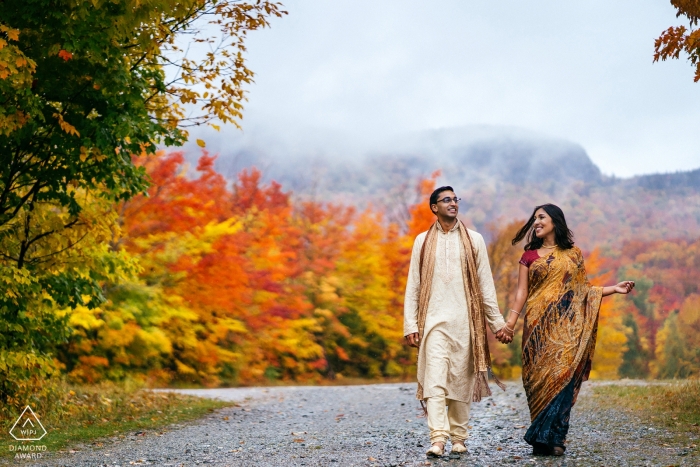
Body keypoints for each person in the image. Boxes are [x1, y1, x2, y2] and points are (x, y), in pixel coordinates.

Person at [496, 203, 635, 457]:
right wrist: (510, 323)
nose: (536, 222)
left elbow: (584, 290)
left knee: (562, 380)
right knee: (536, 381)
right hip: (536, 329)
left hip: (567, 331)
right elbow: (521, 292)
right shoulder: (529, 256)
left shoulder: (573, 254)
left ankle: (554, 437)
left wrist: (613, 289)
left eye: (541, 217)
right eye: (534, 218)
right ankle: (541, 437)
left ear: (555, 222)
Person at [403, 186, 508, 458]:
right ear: (434, 207)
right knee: (435, 379)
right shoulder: (422, 241)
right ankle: (438, 438)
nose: (453, 203)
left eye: (455, 199)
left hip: (466, 323)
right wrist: (410, 324)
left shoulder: (475, 240)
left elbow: (486, 286)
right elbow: (413, 285)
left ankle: (459, 437)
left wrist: (497, 324)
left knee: (462, 379)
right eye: (446, 200)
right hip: (433, 323)